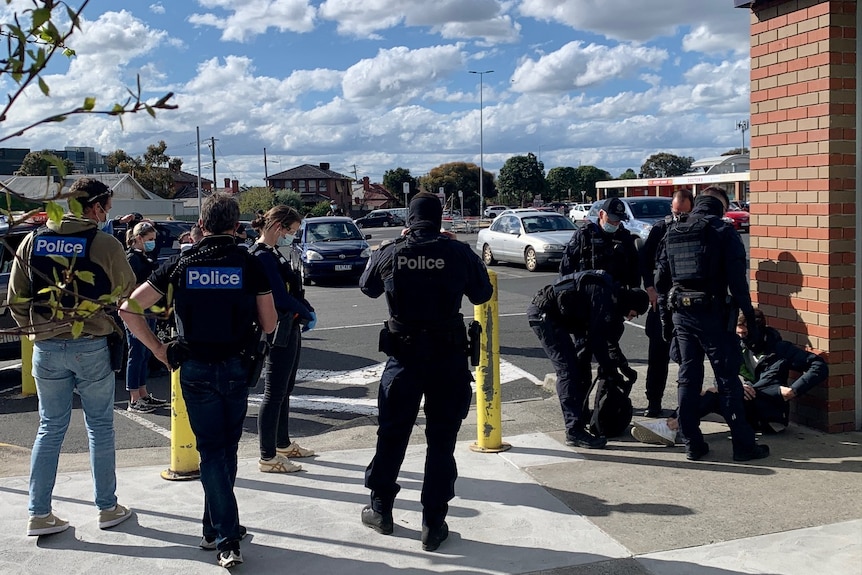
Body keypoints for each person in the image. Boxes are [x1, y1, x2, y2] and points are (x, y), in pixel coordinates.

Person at [119, 193, 277, 569]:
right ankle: (226, 536)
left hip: (194, 367)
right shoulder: (248, 263)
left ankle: (214, 529)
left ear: (202, 225)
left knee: (211, 451)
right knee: (228, 448)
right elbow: (270, 323)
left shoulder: (181, 264)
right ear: (236, 226)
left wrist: (158, 349)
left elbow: (129, 309)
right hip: (237, 366)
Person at [358, 192, 492, 552]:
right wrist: (456, 251)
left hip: (404, 359)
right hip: (447, 359)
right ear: (441, 219)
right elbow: (482, 294)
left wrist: (394, 247)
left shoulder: (391, 251)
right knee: (442, 441)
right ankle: (433, 522)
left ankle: (381, 509)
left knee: (392, 435)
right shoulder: (458, 252)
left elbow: (367, 287)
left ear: (409, 220)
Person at [8, 177, 136, 536]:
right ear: (95, 207)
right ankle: (107, 507)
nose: (108, 213)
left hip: (46, 348)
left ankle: (39, 512)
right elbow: (128, 295)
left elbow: (16, 297)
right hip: (91, 346)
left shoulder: (32, 241)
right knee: (100, 428)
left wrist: (35, 330)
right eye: (107, 207)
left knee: (49, 428)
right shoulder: (105, 244)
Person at [655, 185, 769, 462]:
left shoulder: (674, 230)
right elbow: (738, 285)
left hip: (681, 313)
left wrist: (665, 321)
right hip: (714, 315)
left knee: (687, 377)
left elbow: (660, 280)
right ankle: (743, 446)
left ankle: (692, 443)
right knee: (728, 380)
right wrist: (749, 321)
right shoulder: (723, 230)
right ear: (722, 206)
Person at [631, 309, 829, 445]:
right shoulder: (737, 346)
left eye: (745, 334)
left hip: (769, 413)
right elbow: (723, 373)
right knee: (702, 393)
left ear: (758, 331)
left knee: (713, 395)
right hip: (743, 401)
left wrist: (794, 389)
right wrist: (736, 385)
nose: (741, 338)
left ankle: (672, 427)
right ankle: (671, 425)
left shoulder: (780, 349)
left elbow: (819, 365)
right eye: (738, 334)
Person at [528, 271, 649, 448]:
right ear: (631, 303)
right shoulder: (603, 296)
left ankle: (581, 417)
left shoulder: (612, 299)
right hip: (544, 315)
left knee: (581, 369)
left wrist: (621, 366)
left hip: (559, 316)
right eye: (634, 313)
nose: (630, 317)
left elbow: (608, 341)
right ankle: (574, 431)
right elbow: (597, 338)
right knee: (567, 372)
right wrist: (609, 369)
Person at [248, 206, 317, 474]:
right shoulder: (262, 256)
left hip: (290, 325)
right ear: (279, 226)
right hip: (277, 328)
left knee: (285, 389)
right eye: (291, 231)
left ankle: (283, 443)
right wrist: (305, 311)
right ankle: (268, 455)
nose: (292, 237)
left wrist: (304, 308)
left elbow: (290, 288)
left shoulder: (273, 253)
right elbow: (277, 295)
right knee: (274, 392)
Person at [638, 189, 694, 417]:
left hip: (687, 301)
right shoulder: (661, 228)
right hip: (661, 301)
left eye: (683, 211)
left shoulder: (697, 228)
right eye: (675, 211)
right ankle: (654, 402)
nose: (678, 215)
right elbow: (644, 259)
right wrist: (649, 287)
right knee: (658, 356)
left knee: (688, 357)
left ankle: (688, 406)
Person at [123, 221, 167, 413]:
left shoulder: (144, 257)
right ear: (138, 238)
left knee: (144, 354)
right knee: (136, 353)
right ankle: (134, 397)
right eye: (149, 240)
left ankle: (143, 393)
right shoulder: (132, 259)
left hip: (148, 311)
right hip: (136, 311)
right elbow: (130, 286)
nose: (153, 243)